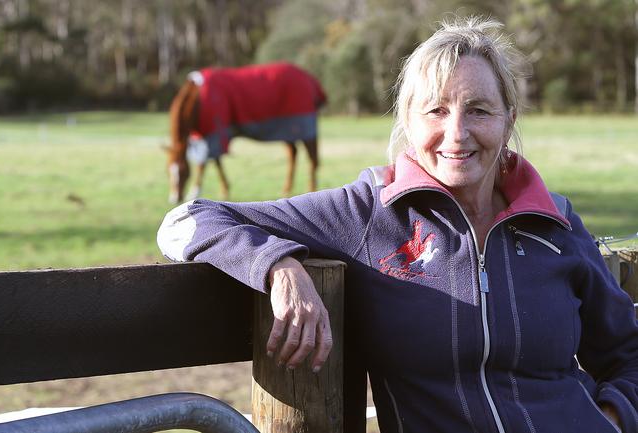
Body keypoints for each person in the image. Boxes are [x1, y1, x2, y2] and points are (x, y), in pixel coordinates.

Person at [157, 16, 638, 433]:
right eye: (436, 110)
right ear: (407, 119)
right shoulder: (367, 214)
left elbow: (629, 351)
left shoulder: (553, 221)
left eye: (479, 110)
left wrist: (613, 420)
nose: (457, 133)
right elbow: (184, 220)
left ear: (508, 119)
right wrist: (278, 266)